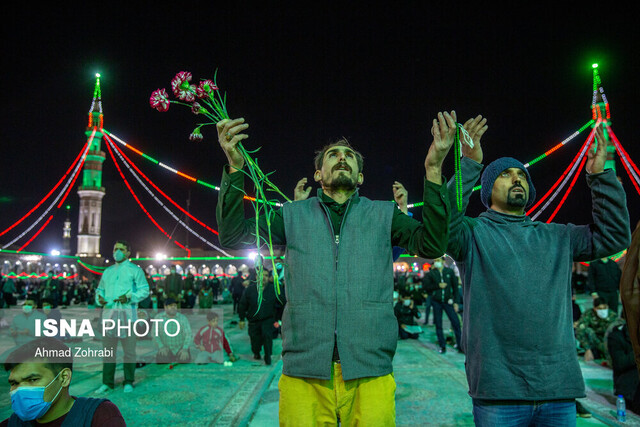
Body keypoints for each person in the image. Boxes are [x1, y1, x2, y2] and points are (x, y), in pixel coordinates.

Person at [216, 111, 455, 425]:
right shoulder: (291, 215)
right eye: (333, 155)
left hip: (370, 369)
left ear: (360, 177)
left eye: (350, 156)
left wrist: (434, 167)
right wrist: (235, 167)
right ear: (318, 174)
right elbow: (233, 235)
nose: (342, 158)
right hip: (305, 369)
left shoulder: (383, 216)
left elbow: (432, 245)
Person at [445, 117, 631, 426]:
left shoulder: (557, 236)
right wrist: (469, 166)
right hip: (498, 392)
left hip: (557, 389)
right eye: (506, 174)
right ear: (488, 189)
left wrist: (600, 176)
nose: (516, 179)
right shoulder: (473, 234)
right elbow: (443, 225)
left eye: (521, 175)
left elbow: (613, 236)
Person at [2, 337, 125, 426]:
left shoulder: (100, 416)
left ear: (64, 377)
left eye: (33, 380)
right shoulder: (12, 424)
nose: (20, 390)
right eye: (14, 383)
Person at [94, 240, 149, 394]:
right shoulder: (108, 271)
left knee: (129, 351)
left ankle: (128, 381)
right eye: (115, 248)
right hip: (109, 315)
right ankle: (107, 382)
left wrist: (130, 297)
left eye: (120, 249)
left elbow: (144, 290)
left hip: (128, 316)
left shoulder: (135, 271)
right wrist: (100, 298)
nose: (116, 251)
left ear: (128, 252)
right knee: (108, 351)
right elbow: (100, 289)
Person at [238, 269, 283, 365]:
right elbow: (242, 304)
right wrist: (241, 318)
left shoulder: (273, 289)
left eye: (266, 275)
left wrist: (278, 319)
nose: (264, 278)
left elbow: (280, 304)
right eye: (261, 275)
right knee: (255, 340)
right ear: (256, 277)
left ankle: (268, 357)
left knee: (267, 338)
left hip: (268, 319)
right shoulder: (250, 290)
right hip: (254, 321)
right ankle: (256, 352)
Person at [422, 256, 462, 353]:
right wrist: (437, 286)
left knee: (456, 322)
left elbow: (455, 288)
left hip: (448, 301)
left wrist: (456, 302)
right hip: (437, 302)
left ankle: (460, 345)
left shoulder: (449, 272)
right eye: (435, 261)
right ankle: (442, 346)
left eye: (438, 260)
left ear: (443, 261)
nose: (437, 262)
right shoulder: (432, 273)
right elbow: (426, 286)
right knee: (438, 324)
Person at [575, 297, 618, 362]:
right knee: (588, 330)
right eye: (600, 308)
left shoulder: (612, 315)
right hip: (595, 340)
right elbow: (580, 330)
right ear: (594, 308)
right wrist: (587, 349)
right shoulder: (589, 314)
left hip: (608, 341)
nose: (603, 310)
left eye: (605, 308)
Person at [153, 298, 192, 363]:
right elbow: (154, 334)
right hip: (166, 348)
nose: (173, 307)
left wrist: (185, 348)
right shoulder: (158, 317)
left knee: (184, 360)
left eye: (175, 306)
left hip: (180, 348)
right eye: (171, 306)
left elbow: (188, 335)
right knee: (162, 360)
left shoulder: (183, 318)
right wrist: (161, 347)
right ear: (165, 307)